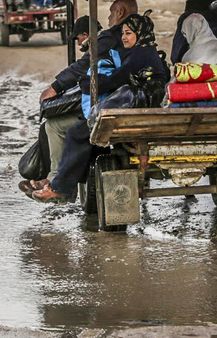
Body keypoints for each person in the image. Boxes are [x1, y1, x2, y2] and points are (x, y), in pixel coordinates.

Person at [33, 12, 168, 203]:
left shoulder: (140, 53)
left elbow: (115, 81)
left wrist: (87, 83)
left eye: (128, 33)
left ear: (140, 33)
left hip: (138, 105)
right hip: (142, 106)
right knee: (81, 129)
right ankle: (59, 183)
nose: (123, 37)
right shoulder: (143, 51)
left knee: (77, 133)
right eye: (123, 33)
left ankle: (59, 188)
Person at [21, 0, 139, 195]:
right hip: (129, 100)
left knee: (60, 128)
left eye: (111, 13)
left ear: (120, 13)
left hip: (115, 104)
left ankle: (58, 185)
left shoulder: (114, 37)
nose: (109, 18)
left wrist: (56, 86)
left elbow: (86, 67)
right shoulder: (142, 36)